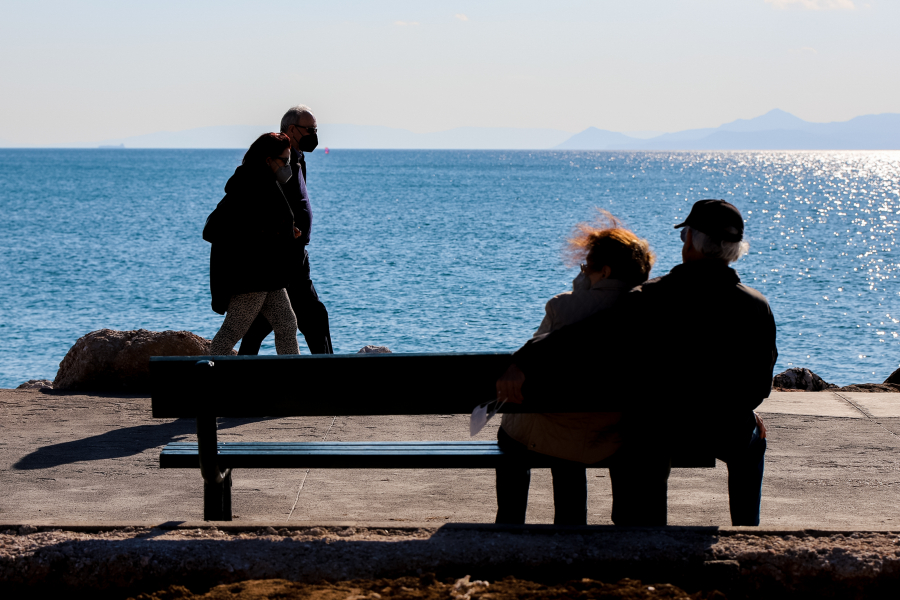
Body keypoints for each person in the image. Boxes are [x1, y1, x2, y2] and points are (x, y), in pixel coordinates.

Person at [496, 199, 777, 526]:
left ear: (689, 241)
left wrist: (524, 358)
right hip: (723, 426)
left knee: (645, 440)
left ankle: (646, 530)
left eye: (685, 234)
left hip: (658, 427)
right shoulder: (757, 306)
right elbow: (759, 385)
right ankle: (745, 529)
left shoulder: (651, 297)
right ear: (734, 250)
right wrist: (739, 411)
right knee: (753, 440)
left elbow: (584, 336)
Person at [496, 214, 656, 526]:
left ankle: (509, 524)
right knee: (572, 437)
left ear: (604, 270)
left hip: (555, 432)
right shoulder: (649, 311)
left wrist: (579, 291)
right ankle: (576, 529)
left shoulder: (561, 306)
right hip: (613, 433)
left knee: (521, 433)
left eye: (586, 267)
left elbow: (533, 368)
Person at [238, 105, 333, 355]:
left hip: (296, 253)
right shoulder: (276, 160)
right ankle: (332, 379)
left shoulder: (298, 159)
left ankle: (238, 374)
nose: (314, 133)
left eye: (316, 129)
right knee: (314, 318)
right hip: (283, 254)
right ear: (292, 129)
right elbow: (263, 201)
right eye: (309, 129)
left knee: (263, 322)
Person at [204, 132, 301, 356]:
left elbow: (266, 225)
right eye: (284, 161)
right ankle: (206, 382)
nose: (288, 166)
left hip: (267, 274)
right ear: (268, 160)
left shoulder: (263, 182)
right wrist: (278, 233)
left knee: (287, 325)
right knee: (231, 332)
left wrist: (287, 231)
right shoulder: (249, 186)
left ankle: (294, 385)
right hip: (252, 276)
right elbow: (226, 229)